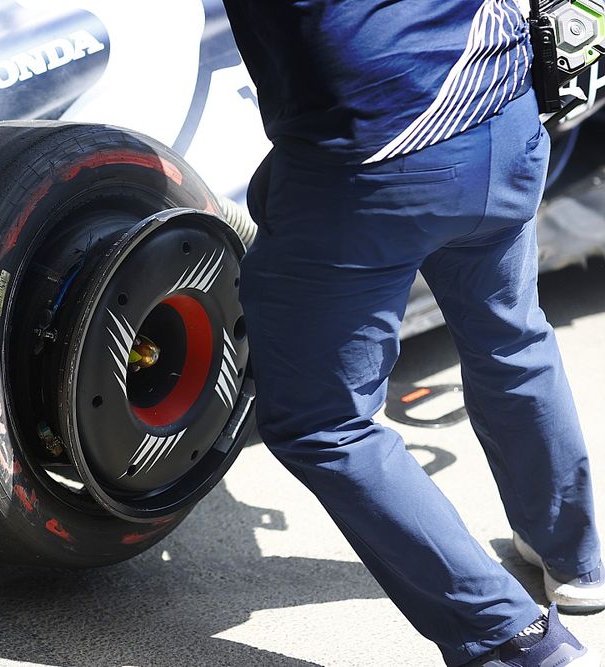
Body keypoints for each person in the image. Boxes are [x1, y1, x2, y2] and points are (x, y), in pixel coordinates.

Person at [220, 0, 604, 664]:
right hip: (503, 107)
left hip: (378, 151)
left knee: (323, 422)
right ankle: (575, 558)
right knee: (510, 338)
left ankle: (514, 641)